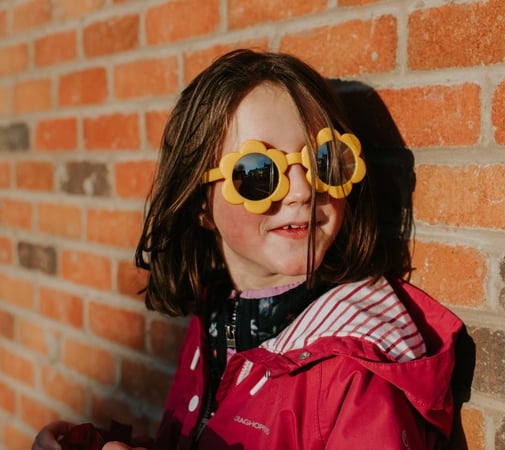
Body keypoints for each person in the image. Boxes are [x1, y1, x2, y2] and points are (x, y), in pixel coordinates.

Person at [32, 49, 464, 450]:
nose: (302, 191)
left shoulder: (354, 377)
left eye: (324, 161)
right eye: (259, 172)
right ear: (199, 202)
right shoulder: (214, 317)